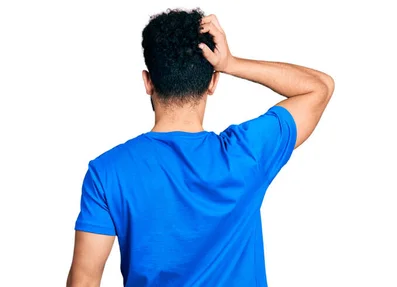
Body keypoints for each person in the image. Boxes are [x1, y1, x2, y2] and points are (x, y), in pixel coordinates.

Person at [66, 8, 334, 287]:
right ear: (213, 82)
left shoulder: (107, 171)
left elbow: (84, 280)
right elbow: (319, 87)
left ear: (148, 82)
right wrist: (230, 63)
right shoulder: (246, 153)